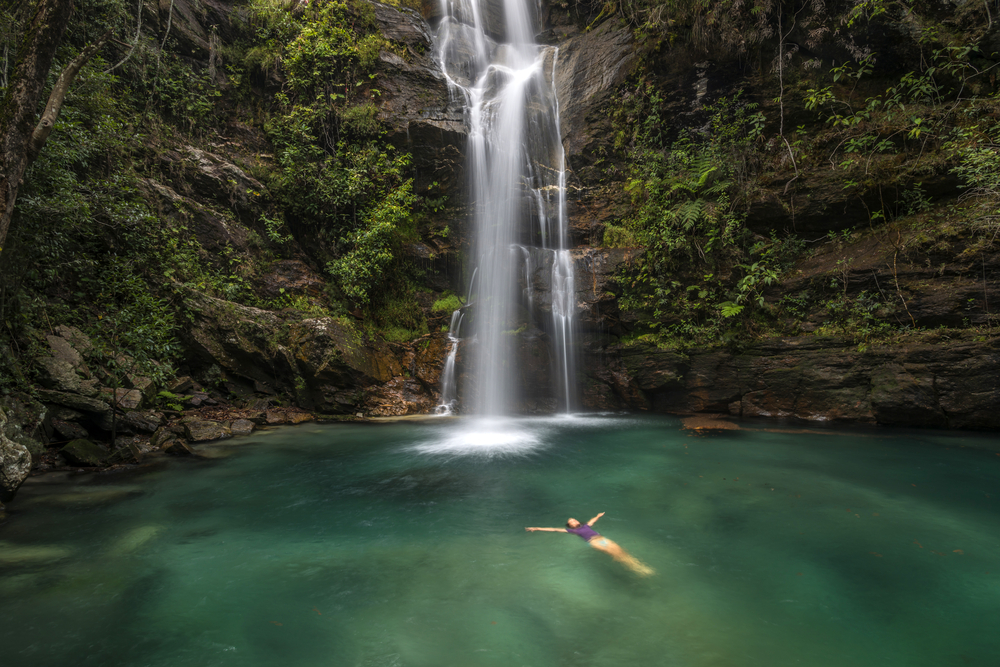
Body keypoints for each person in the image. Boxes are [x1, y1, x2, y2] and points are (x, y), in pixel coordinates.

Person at [525, 512, 654, 575]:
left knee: (622, 551)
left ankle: (639, 565)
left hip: (602, 539)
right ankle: (637, 570)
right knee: (616, 555)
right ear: (570, 525)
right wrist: (537, 528)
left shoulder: (586, 525)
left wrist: (598, 516)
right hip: (595, 543)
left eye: (574, 519)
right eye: (571, 521)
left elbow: (592, 521)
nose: (574, 521)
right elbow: (554, 529)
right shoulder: (572, 531)